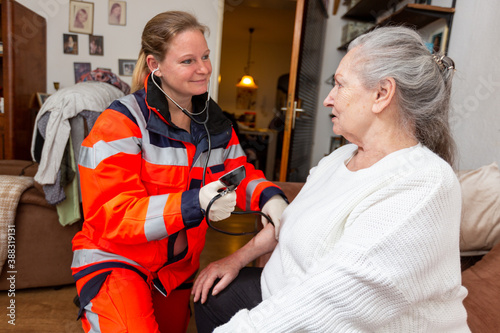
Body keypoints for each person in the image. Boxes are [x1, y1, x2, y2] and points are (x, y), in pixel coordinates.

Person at [192, 26, 470, 332]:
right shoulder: (341, 157)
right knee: (209, 297)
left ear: (382, 94)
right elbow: (291, 220)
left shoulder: (425, 184)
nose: (327, 99)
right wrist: (236, 259)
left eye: (339, 85)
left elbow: (333, 302)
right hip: (285, 291)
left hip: (330, 318)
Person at [71, 11, 288, 333]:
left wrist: (271, 199)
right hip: (116, 260)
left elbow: (238, 173)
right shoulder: (119, 124)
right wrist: (196, 203)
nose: (204, 69)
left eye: (205, 56)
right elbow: (112, 216)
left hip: (174, 270)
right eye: (188, 61)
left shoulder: (216, 124)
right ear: (154, 65)